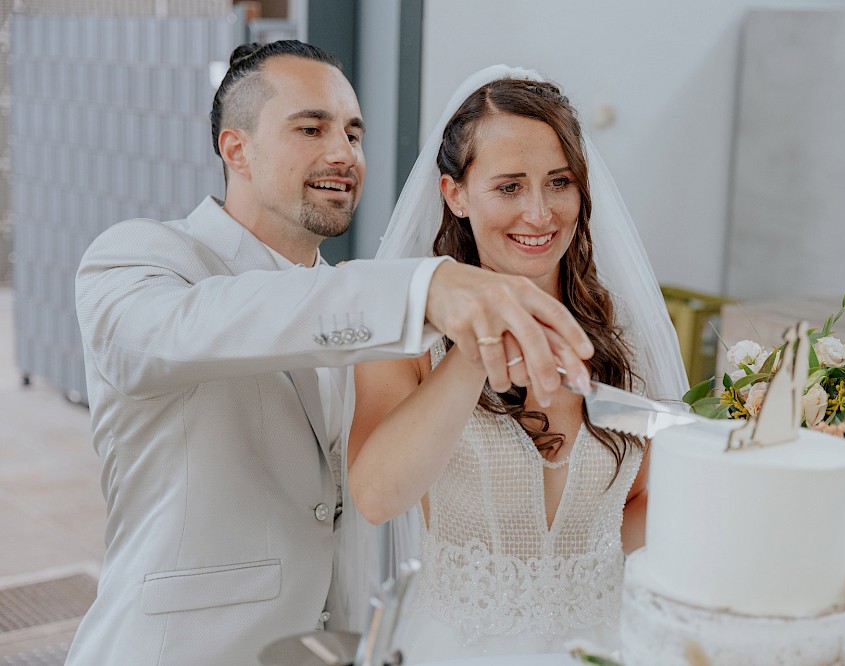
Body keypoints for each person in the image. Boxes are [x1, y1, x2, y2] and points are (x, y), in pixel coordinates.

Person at [66, 43, 594, 666]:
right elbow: (193, 327)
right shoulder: (140, 259)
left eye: (353, 131)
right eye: (311, 128)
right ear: (235, 149)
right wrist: (423, 286)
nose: (343, 153)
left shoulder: (351, 306)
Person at [346, 65, 689, 662]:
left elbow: (634, 509)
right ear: (455, 195)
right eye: (509, 187)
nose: (540, 213)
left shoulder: (622, 336)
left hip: (602, 647)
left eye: (559, 182)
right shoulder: (405, 339)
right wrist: (478, 348)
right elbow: (376, 497)